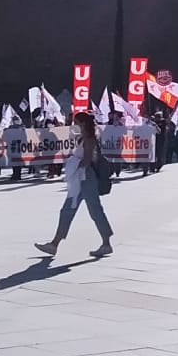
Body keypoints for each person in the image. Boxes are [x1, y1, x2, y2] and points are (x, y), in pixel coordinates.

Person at [36, 111, 112, 259]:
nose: (74, 125)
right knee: (67, 210)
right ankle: (54, 243)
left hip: (86, 178)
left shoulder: (90, 139)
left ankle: (106, 242)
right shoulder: (83, 138)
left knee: (94, 211)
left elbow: (88, 159)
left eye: (76, 122)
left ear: (83, 124)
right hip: (80, 178)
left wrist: (74, 169)